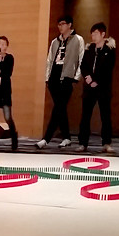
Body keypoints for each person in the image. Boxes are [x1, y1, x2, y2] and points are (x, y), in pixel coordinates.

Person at [37, 15, 84, 149]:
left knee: (58, 107)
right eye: (59, 24)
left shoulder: (78, 39)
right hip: (54, 77)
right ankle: (66, 137)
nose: (60, 27)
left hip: (67, 77)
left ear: (69, 25)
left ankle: (46, 138)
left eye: (63, 24)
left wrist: (76, 77)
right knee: (60, 108)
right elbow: (49, 60)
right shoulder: (55, 41)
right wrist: (47, 78)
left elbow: (81, 59)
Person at [77, 23, 116, 154]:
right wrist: (88, 78)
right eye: (92, 34)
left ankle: (106, 142)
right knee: (85, 116)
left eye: (96, 33)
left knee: (105, 116)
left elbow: (108, 69)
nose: (93, 36)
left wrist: (96, 81)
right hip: (89, 88)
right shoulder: (89, 49)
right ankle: (83, 143)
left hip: (103, 88)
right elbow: (83, 66)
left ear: (103, 34)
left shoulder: (109, 50)